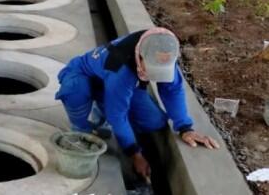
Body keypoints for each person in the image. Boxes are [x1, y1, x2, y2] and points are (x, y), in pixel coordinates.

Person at [55, 27, 219, 182]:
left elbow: (172, 90)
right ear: (140, 58)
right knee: (76, 89)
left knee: (155, 122)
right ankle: (82, 130)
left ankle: (109, 110)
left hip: (124, 84)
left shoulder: (163, 49)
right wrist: (135, 154)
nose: (156, 75)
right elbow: (117, 116)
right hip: (84, 77)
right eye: (153, 70)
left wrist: (185, 128)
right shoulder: (121, 67)